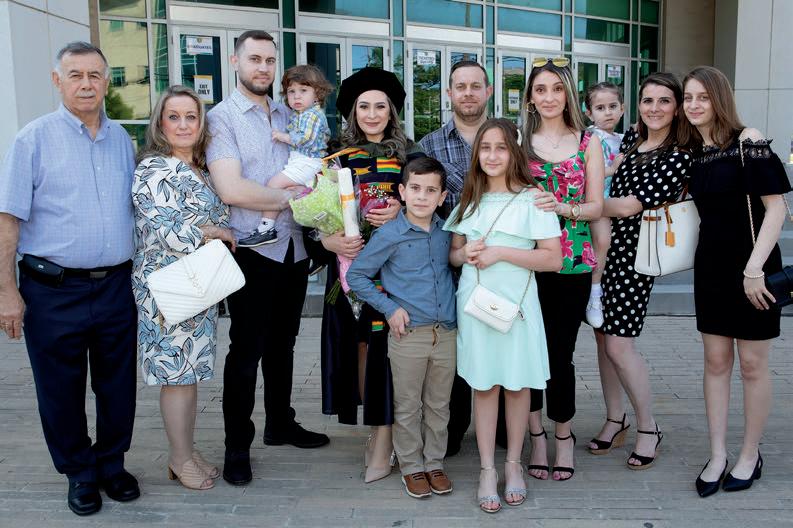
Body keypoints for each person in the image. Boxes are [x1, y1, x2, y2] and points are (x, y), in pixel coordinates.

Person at [0, 41, 140, 515]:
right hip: (52, 290)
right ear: (57, 81)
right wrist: (7, 292)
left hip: (116, 285)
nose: (86, 84)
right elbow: (8, 221)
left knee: (117, 385)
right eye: (75, 75)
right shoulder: (32, 140)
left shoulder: (122, 141)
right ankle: (79, 472)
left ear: (107, 81)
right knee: (60, 389)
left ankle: (112, 463)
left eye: (94, 75)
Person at [206, 30, 329, 487]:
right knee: (246, 350)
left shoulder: (289, 111)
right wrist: (292, 201)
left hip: (293, 247)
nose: (263, 67)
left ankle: (280, 423)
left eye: (270, 60)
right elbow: (231, 189)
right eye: (254, 58)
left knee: (284, 344)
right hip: (251, 250)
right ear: (235, 61)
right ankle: (237, 445)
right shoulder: (221, 119)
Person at [681, 66, 791, 496]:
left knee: (752, 365)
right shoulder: (694, 151)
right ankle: (717, 454)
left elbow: (777, 209)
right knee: (715, 362)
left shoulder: (749, 141)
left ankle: (749, 453)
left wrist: (754, 269)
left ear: (719, 99)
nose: (693, 105)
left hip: (753, 269)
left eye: (702, 97)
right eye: (688, 97)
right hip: (711, 267)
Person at [444, 118, 562, 513]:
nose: (492, 156)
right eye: (485, 147)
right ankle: (486, 469)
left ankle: (513, 464)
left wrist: (501, 252)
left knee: (517, 385)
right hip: (476, 304)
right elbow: (454, 255)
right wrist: (466, 253)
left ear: (515, 153)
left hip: (518, 306)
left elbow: (553, 259)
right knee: (484, 386)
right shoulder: (469, 198)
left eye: (501, 147)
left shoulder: (533, 199)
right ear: (476, 154)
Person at [318, 66, 425, 484]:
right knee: (360, 346)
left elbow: (431, 203)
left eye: (381, 106)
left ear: (392, 111)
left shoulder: (409, 156)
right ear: (353, 112)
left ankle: (389, 434)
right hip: (350, 270)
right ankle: (377, 427)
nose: (373, 114)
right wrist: (328, 241)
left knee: (390, 347)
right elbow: (316, 214)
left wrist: (404, 208)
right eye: (364, 106)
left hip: (398, 270)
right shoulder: (336, 157)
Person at [132, 86, 235, 490]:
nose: (183, 125)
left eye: (191, 116)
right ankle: (178, 458)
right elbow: (168, 230)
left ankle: (186, 452)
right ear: (160, 123)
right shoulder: (153, 169)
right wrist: (215, 231)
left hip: (199, 285)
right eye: (173, 117)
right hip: (168, 287)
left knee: (189, 374)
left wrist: (215, 229)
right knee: (176, 376)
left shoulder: (201, 168)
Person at [588, 72, 691, 470]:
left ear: (677, 107)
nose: (654, 108)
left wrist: (578, 203)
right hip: (604, 250)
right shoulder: (631, 139)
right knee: (602, 338)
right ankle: (616, 418)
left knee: (619, 344)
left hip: (635, 257)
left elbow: (631, 205)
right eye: (648, 100)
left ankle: (649, 427)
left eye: (664, 101)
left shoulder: (678, 154)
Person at [347, 157, 457, 500]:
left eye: (431, 190)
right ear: (402, 192)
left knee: (439, 405)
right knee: (408, 405)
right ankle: (411, 466)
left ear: (442, 197)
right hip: (408, 334)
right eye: (415, 188)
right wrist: (390, 308)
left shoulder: (448, 232)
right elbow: (356, 276)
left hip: (446, 332)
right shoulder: (389, 234)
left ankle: (434, 462)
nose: (422, 196)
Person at [524, 57, 605, 481]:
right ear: (530, 97)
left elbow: (596, 206)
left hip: (572, 261)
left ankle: (563, 434)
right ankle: (535, 436)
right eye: (541, 89)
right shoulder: (519, 140)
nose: (549, 97)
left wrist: (562, 208)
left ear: (569, 94)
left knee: (560, 354)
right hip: (526, 262)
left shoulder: (589, 141)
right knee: (527, 353)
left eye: (557, 88)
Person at [418, 59, 492, 457]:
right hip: (449, 261)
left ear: (488, 91)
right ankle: (453, 425)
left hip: (502, 262)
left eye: (475, 86)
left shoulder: (508, 138)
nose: (468, 93)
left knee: (499, 338)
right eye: (460, 86)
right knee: (455, 346)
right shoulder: (429, 145)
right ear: (449, 93)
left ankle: (500, 424)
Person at [238, 64, 332, 247]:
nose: (296, 96)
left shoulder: (311, 115)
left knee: (274, 185)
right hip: (304, 162)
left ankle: (266, 228)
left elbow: (305, 139)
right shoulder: (301, 114)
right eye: (291, 91)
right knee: (302, 194)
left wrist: (282, 137)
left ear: (318, 94)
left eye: (303, 90)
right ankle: (320, 230)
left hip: (307, 162)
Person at [583, 82, 625, 328]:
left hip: (615, 202)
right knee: (602, 240)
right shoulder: (591, 138)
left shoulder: (623, 139)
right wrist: (613, 168)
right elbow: (589, 174)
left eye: (612, 106)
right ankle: (594, 292)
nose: (607, 112)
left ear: (622, 108)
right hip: (596, 200)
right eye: (600, 108)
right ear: (589, 113)